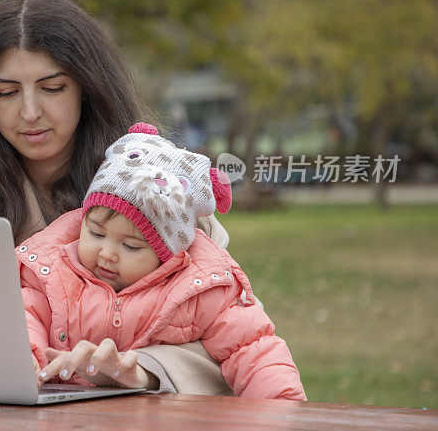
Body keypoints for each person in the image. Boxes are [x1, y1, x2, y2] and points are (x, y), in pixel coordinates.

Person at [0, 0, 233, 394]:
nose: (29, 112)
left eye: (53, 88)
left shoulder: (159, 183)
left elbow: (232, 331)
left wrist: (142, 370)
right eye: (6, 93)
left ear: (87, 86)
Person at [18, 123, 305, 400]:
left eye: (130, 246)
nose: (107, 253)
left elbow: (254, 350)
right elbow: (25, 314)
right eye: (95, 232)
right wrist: (22, 359)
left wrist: (283, 412)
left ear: (166, 255)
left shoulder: (197, 291)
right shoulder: (51, 270)